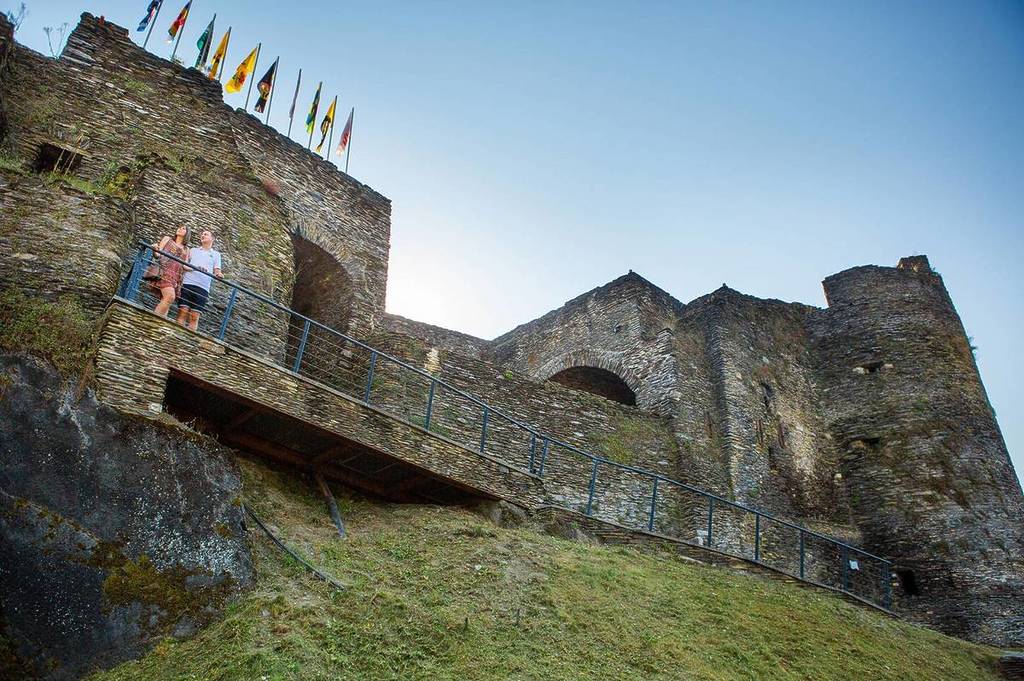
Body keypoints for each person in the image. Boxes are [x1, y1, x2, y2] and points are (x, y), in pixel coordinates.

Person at [176, 229, 223, 332]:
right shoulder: (193, 250)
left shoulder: (216, 254)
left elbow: (217, 270)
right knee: (182, 311)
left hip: (203, 288)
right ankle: (176, 335)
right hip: (188, 283)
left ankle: (189, 338)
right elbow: (184, 265)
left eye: (206, 234)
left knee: (194, 316)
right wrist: (195, 268)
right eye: (202, 234)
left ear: (212, 239)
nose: (203, 235)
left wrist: (219, 274)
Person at [150, 225, 189, 318]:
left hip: (176, 278)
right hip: (164, 272)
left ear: (187, 233)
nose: (180, 229)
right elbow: (158, 254)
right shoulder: (167, 239)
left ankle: (159, 322)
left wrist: (196, 268)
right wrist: (155, 249)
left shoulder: (186, 249)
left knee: (165, 301)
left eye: (183, 228)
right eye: (179, 227)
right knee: (170, 296)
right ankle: (152, 319)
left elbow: (185, 265)